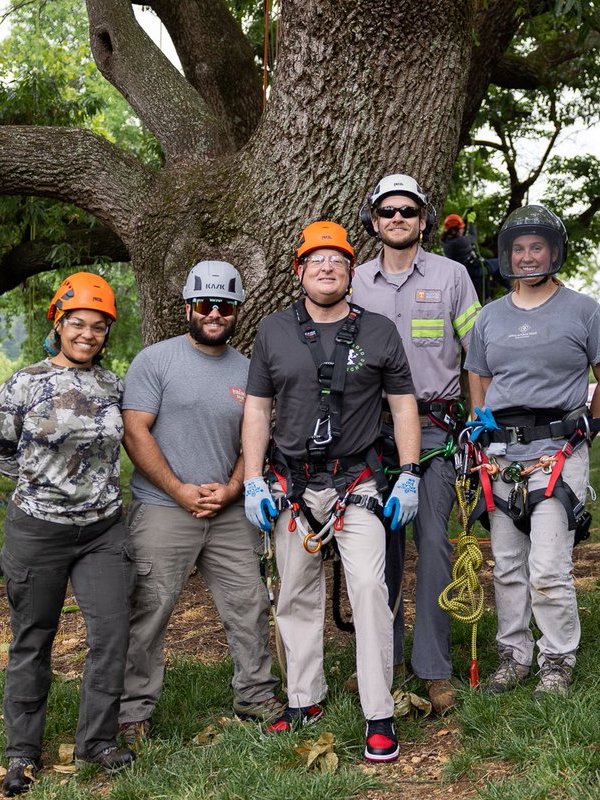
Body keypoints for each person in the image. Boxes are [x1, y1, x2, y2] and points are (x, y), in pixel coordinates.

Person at [241, 220, 422, 763]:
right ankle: (304, 699)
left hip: (357, 480)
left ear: (350, 273)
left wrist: (408, 471)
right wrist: (254, 478)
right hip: (292, 483)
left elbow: (403, 406)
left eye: (338, 262)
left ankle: (379, 711)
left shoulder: (380, 331)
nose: (327, 268)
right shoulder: (273, 331)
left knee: (369, 587)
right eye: (316, 260)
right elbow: (257, 408)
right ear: (299, 270)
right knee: (294, 594)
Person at [0, 271, 136, 796]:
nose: (87, 334)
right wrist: (45, 488)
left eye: (98, 326)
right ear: (58, 322)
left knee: (112, 637)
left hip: (103, 531)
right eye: (77, 323)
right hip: (38, 532)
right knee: (33, 638)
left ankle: (97, 741)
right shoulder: (24, 383)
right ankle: (22, 752)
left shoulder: (114, 385)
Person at [118, 260, 281, 746]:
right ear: (188, 306)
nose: (214, 314)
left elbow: (255, 437)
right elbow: (134, 430)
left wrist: (234, 487)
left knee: (249, 604)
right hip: (164, 506)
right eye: (205, 304)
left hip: (229, 509)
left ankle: (255, 694)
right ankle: (132, 710)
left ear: (236, 311)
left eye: (225, 306)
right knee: (150, 607)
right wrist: (177, 488)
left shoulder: (250, 369)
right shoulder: (155, 360)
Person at [464, 205, 600, 698]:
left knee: (549, 564)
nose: (528, 257)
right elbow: (478, 374)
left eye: (537, 248)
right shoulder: (489, 318)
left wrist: (592, 423)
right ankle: (513, 655)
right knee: (508, 563)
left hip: (558, 448)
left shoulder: (582, 310)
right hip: (502, 455)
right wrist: (480, 417)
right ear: (506, 256)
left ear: (554, 252)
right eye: (519, 249)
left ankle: (557, 659)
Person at [352, 174, 481, 715]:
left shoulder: (454, 276)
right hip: (369, 432)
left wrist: (480, 425)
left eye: (408, 210)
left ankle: (433, 670)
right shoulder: (354, 282)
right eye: (388, 211)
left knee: (435, 546)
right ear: (374, 221)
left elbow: (477, 354)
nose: (398, 218)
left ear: (424, 219)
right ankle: (385, 662)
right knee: (377, 549)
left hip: (436, 430)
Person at [441, 212, 509, 302]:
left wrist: (464, 218)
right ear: (455, 230)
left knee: (486, 296)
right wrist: (471, 222)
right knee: (500, 263)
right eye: (461, 228)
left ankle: (509, 289)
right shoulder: (460, 242)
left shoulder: (444, 241)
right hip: (476, 270)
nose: (463, 230)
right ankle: (512, 289)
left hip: (469, 272)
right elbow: (473, 236)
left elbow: (458, 231)